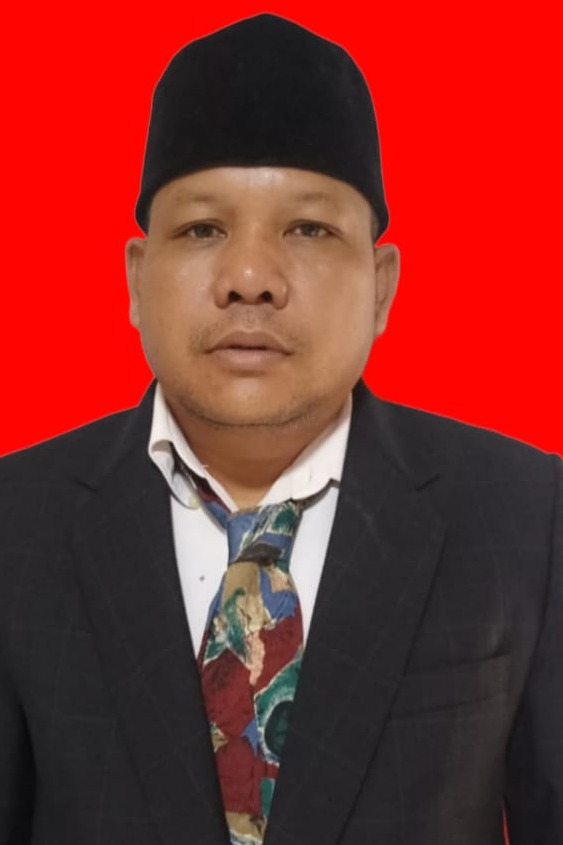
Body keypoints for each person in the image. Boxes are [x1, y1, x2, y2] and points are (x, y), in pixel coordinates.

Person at [0, 12, 561, 845]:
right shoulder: (17, 520)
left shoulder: (524, 513)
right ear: (136, 279)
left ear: (380, 285)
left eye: (308, 228)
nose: (250, 277)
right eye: (202, 228)